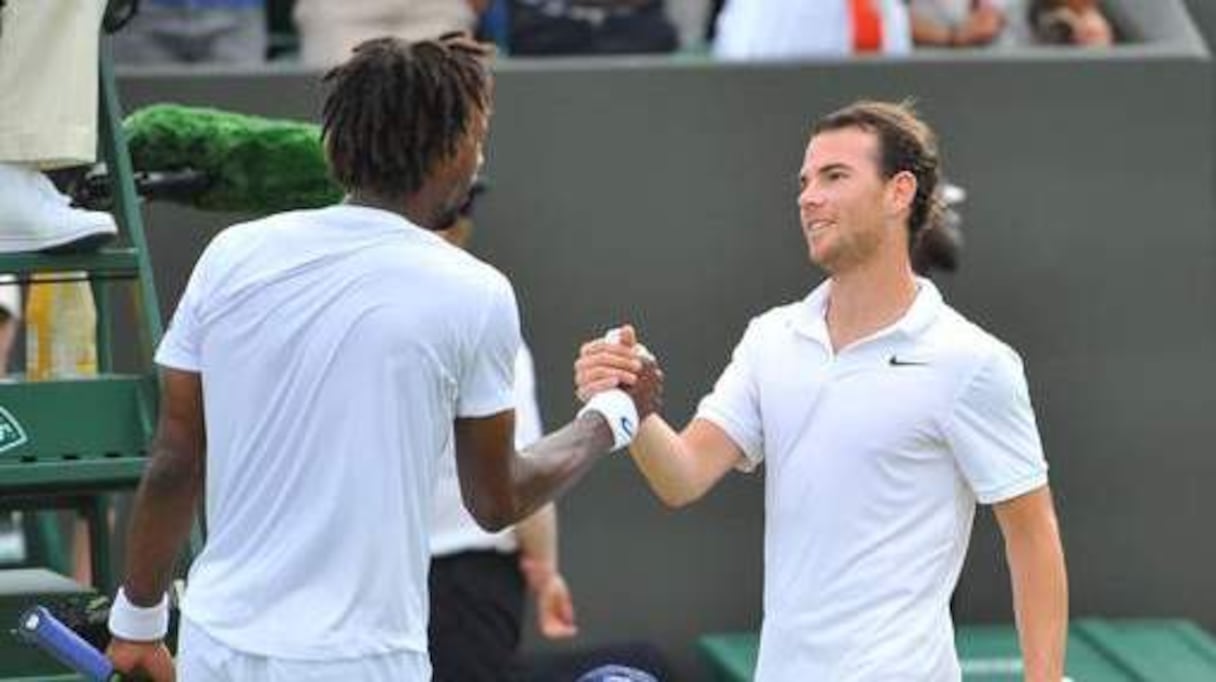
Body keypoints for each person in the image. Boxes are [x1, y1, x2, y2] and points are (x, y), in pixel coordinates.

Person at [104, 34, 660, 682]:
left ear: (339, 145)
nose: (479, 158)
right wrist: (612, 416)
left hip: (216, 644)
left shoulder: (230, 256)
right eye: (478, 138)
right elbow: (498, 498)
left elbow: (176, 456)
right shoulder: (474, 291)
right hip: (358, 662)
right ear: (454, 150)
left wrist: (138, 620)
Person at [575, 101, 1067, 679]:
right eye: (805, 181)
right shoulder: (771, 338)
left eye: (834, 177)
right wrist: (634, 404)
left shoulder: (973, 362)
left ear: (898, 192)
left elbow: (1033, 539)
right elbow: (681, 477)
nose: (808, 197)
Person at [428, 192, 578, 681]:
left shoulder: (343, 310)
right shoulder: (481, 308)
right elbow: (518, 473)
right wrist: (547, 570)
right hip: (465, 590)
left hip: (362, 579)